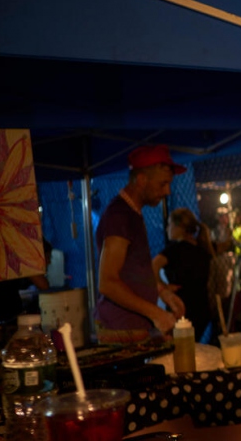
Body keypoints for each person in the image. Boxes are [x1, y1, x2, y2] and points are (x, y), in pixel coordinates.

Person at [94, 144, 187, 345]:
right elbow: (107, 282)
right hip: (120, 330)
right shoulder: (119, 215)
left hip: (132, 327)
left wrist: (162, 291)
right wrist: (157, 314)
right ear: (142, 180)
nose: (168, 191)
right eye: (163, 184)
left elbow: (133, 272)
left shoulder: (132, 213)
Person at [152, 208, 214, 344]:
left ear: (179, 227)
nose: (167, 228)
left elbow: (152, 267)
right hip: (202, 308)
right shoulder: (202, 249)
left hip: (181, 308)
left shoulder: (175, 250)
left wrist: (163, 287)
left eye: (169, 224)